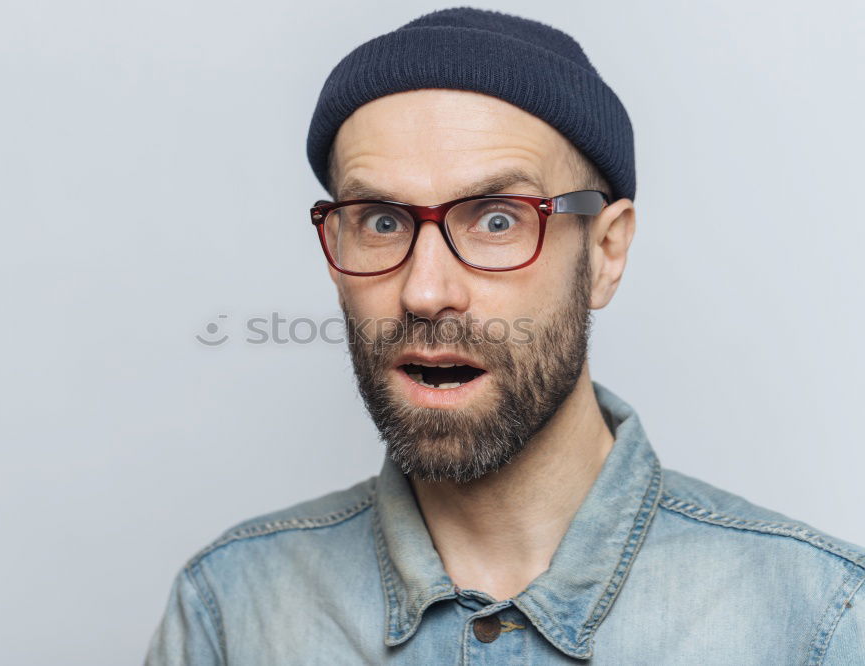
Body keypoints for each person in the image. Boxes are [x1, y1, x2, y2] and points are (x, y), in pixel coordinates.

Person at [144, 7, 865, 664]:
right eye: (381, 222)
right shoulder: (234, 612)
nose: (426, 292)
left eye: (497, 219)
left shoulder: (818, 621)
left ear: (606, 254)